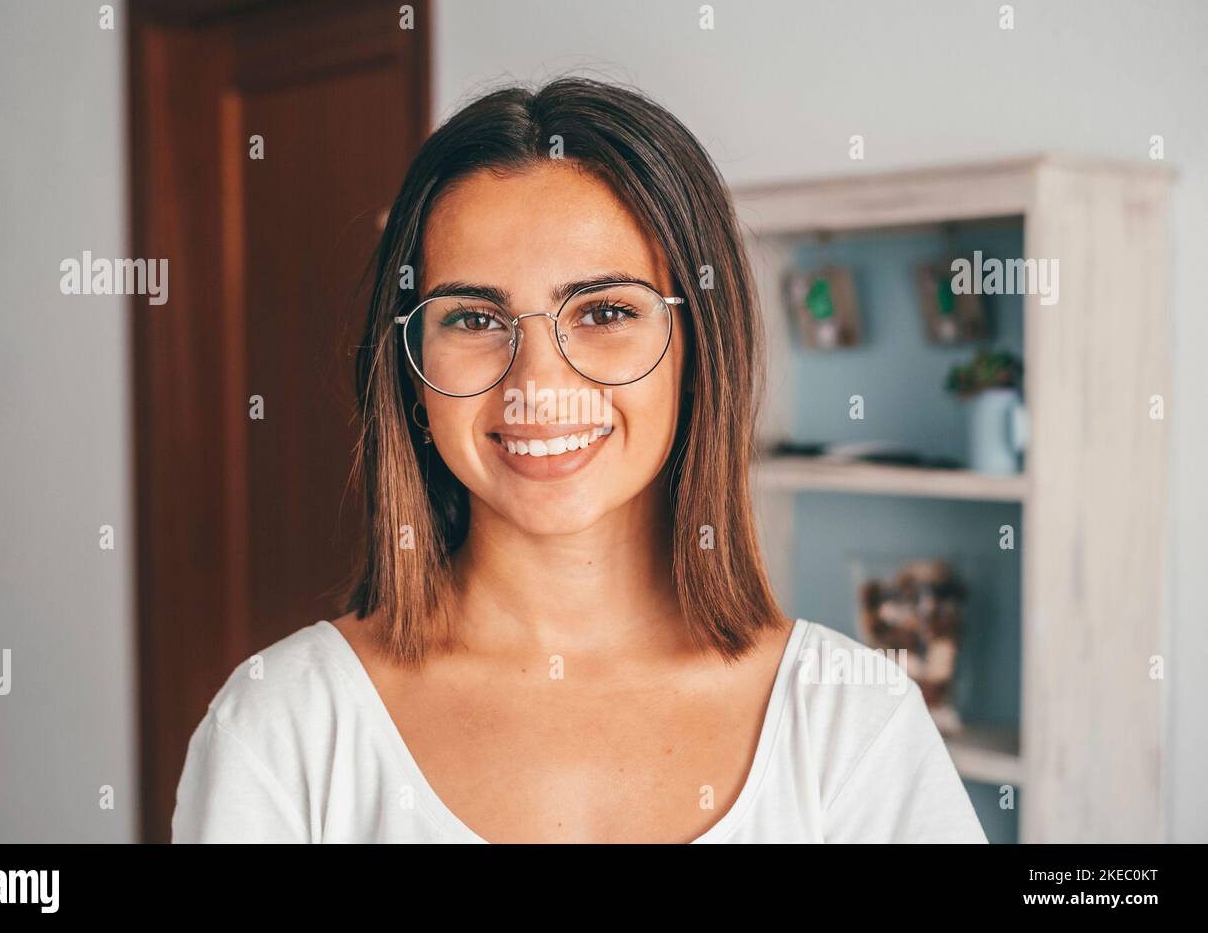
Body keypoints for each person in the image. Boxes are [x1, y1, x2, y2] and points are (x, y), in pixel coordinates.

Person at [171, 77, 987, 843]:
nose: (538, 385)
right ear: (410, 369)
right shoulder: (281, 729)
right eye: (473, 318)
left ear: (699, 350)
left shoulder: (854, 723)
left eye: (603, 310)